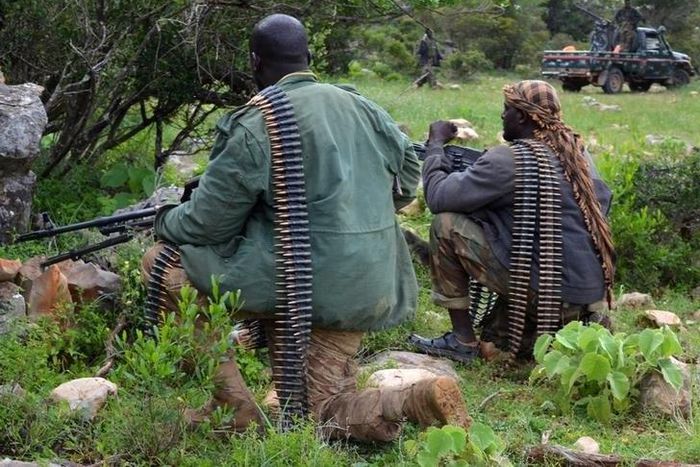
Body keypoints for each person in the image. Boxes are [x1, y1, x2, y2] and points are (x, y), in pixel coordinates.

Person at [141, 13, 471, 442]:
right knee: (323, 412)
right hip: (365, 287)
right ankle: (411, 401)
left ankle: (232, 405)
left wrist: (165, 216)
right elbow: (408, 179)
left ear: (256, 63)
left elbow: (206, 223)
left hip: (298, 283)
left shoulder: (258, 121)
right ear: (309, 57)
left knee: (161, 261)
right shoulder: (364, 106)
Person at [409, 80, 615, 363]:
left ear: (521, 116)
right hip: (587, 296)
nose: (502, 116)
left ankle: (461, 340)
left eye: (506, 110)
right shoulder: (578, 155)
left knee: (445, 225)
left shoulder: (510, 159)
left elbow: (438, 198)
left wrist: (435, 146)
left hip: (546, 293)